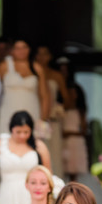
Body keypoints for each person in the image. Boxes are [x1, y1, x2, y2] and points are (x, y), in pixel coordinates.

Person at [0, 110, 50, 204]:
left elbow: (48, 174)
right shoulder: (1, 144)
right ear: (11, 128)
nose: (22, 136)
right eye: (18, 132)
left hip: (32, 193)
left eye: (26, 132)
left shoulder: (39, 146)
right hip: (7, 194)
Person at [0, 39, 49, 138]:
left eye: (24, 47)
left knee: (32, 143)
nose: (21, 51)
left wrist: (43, 120)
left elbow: (44, 95)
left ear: (29, 49)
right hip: (8, 110)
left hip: (32, 110)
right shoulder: (4, 66)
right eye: (17, 48)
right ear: (12, 51)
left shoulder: (37, 68)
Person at [35, 45, 70, 175]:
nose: (41, 57)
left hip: (51, 122)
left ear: (49, 57)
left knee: (53, 154)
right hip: (35, 118)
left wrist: (58, 108)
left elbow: (67, 99)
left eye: (45, 54)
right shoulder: (32, 73)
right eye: (39, 54)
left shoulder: (56, 75)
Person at [58, 58, 89, 180]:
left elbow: (84, 129)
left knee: (74, 170)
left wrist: (68, 133)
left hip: (74, 143)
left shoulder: (79, 111)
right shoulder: (61, 109)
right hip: (63, 142)